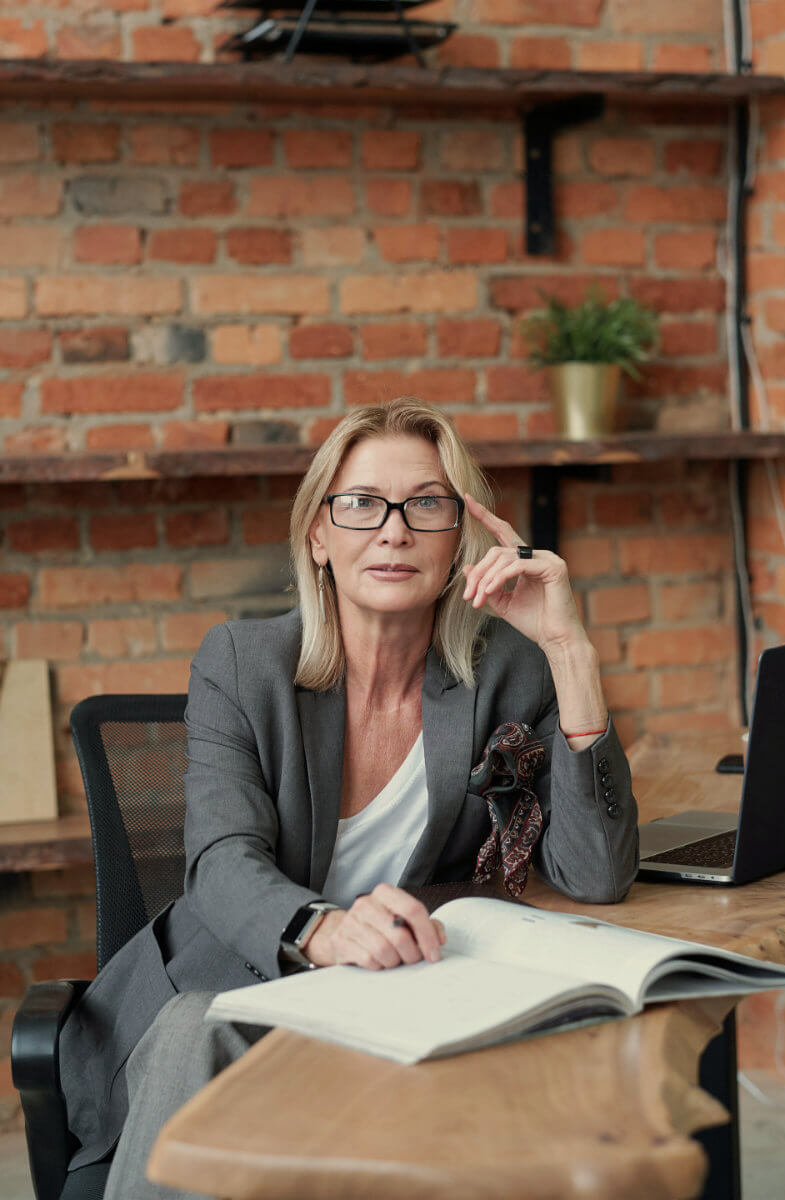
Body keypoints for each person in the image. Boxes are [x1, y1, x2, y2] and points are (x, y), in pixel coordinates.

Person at [58, 397, 638, 1199]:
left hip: (393, 1005)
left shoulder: (513, 670)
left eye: (426, 504)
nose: (393, 530)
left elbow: (596, 874)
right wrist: (321, 930)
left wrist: (568, 649)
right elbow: (222, 861)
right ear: (318, 537)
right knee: (201, 1034)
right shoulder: (240, 661)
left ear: (459, 539)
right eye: (361, 504)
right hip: (225, 986)